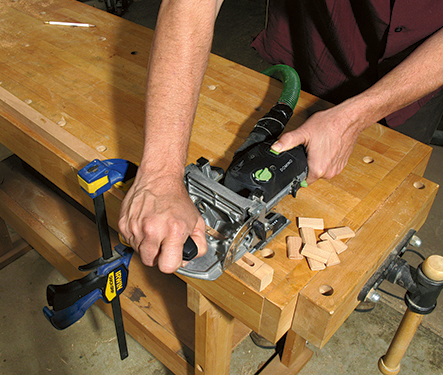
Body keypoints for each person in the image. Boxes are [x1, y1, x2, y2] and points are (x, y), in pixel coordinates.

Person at [118, 0, 443, 274]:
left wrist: (356, 118)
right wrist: (160, 173)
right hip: (332, 26)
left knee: (384, 198)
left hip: (425, 57)